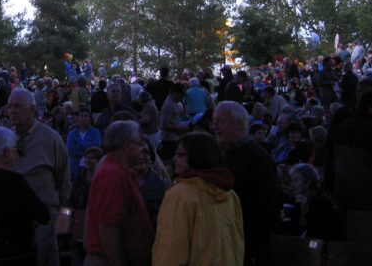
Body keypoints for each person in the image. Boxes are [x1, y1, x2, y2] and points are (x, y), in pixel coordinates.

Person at [152, 132, 244, 266]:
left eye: (180, 154)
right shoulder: (230, 194)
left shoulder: (180, 195)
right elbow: (237, 243)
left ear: (197, 157)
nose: (174, 158)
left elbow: (171, 251)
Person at [6, 89, 70, 266]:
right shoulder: (5, 139)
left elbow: (63, 180)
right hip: (11, 222)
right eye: (10, 106)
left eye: (18, 106)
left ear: (33, 109)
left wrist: (57, 215)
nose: (12, 111)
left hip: (43, 223)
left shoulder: (51, 139)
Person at [213, 101, 277, 266]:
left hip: (247, 245)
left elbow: (265, 208)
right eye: (214, 122)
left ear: (239, 124)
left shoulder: (258, 159)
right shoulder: (226, 154)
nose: (215, 126)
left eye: (220, 121)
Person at [0, 126, 50, 266]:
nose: (16, 154)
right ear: (7, 152)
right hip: (16, 252)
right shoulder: (14, 180)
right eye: (14, 149)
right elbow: (43, 214)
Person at [84, 120, 153, 266]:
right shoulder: (112, 175)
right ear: (127, 146)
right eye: (139, 143)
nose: (143, 149)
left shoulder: (118, 172)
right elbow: (108, 227)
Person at [286, 163, 338, 240]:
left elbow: (320, 231)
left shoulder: (323, 203)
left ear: (307, 182)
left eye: (295, 180)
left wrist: (306, 210)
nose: (292, 184)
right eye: (292, 181)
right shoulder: (296, 201)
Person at [65, 106, 102, 181]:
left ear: (90, 118)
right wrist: (88, 147)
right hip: (74, 167)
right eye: (81, 116)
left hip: (91, 166)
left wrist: (79, 146)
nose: (83, 118)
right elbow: (70, 149)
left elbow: (97, 146)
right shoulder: (72, 133)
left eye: (86, 116)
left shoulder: (96, 132)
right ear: (78, 118)